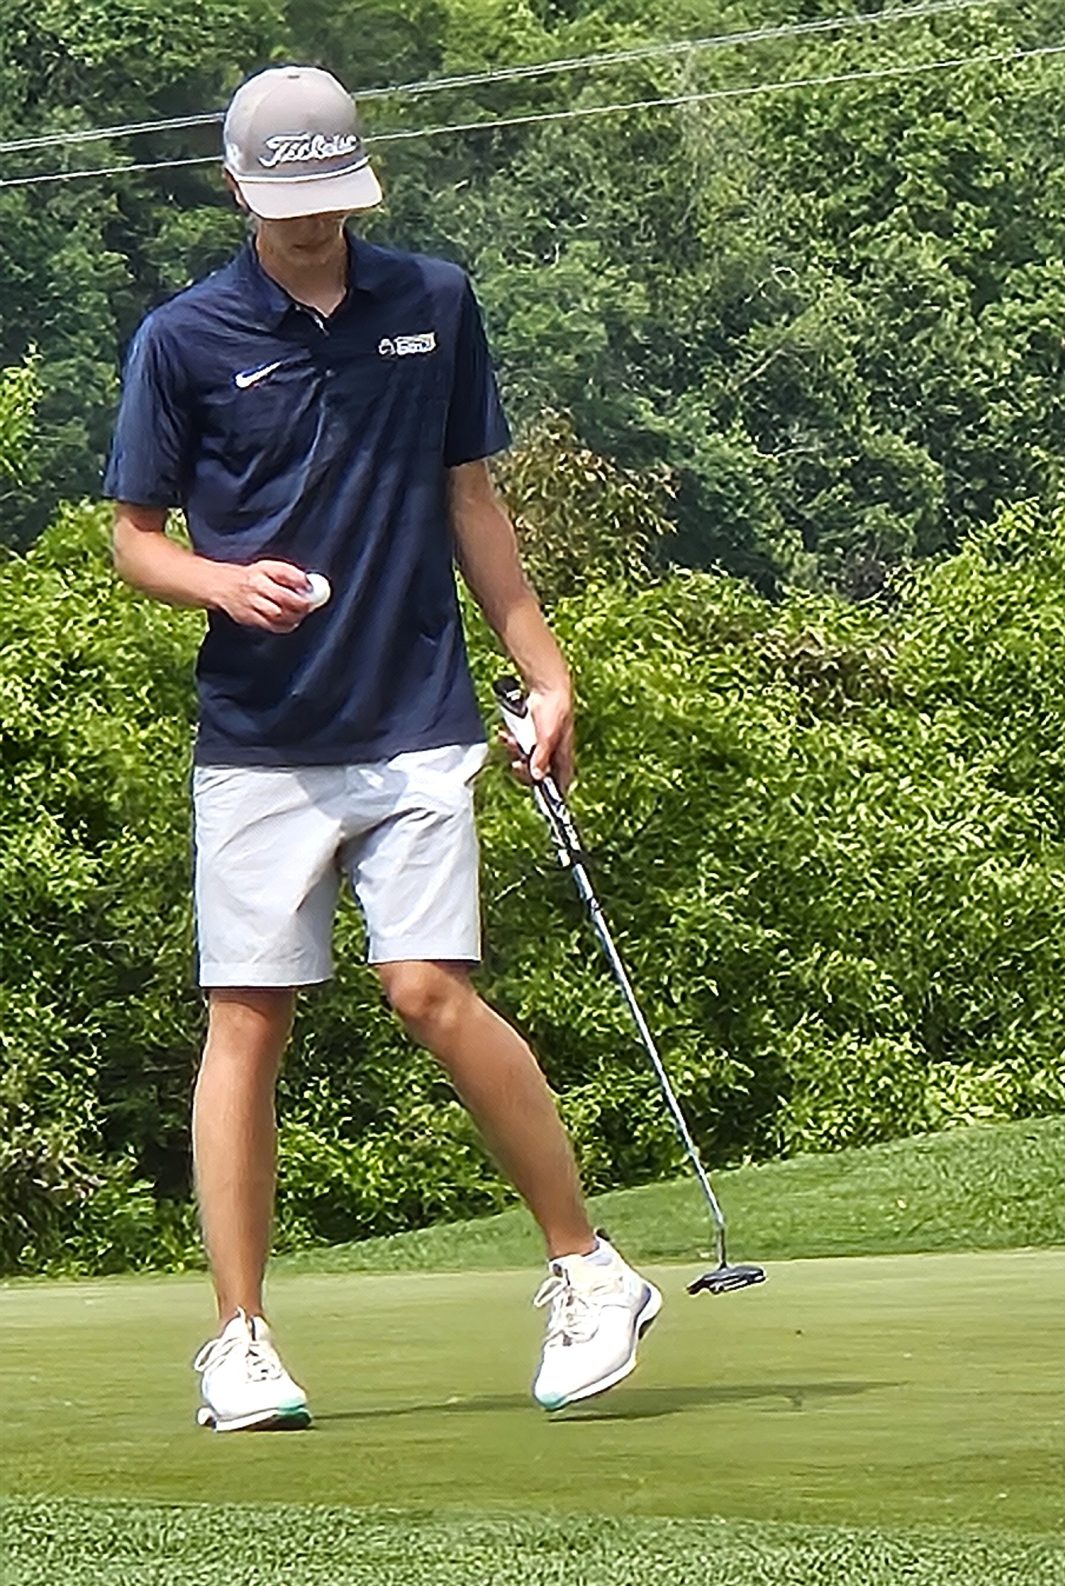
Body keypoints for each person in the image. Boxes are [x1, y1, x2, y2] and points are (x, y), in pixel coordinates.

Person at [105, 65, 661, 1431]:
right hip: (259, 739)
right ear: (237, 191)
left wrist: (545, 670)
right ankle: (239, 1338)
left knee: (427, 990)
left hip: (416, 720)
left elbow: (469, 496)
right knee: (249, 1018)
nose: (309, 227)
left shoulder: (434, 302)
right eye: (282, 204)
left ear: (362, 182)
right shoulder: (181, 339)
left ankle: (589, 1271)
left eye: (328, 201)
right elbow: (131, 539)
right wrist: (220, 585)